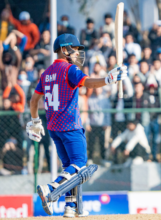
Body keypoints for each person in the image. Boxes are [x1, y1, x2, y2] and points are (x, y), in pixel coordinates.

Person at [27, 33, 127, 217]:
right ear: (64, 50)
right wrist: (108, 79)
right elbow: (88, 83)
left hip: (53, 128)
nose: (78, 54)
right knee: (79, 165)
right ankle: (51, 188)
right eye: (75, 50)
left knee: (70, 170)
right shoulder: (69, 69)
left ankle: (71, 208)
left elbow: (34, 101)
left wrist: (34, 121)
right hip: (70, 126)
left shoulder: (46, 73)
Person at [86, 87, 111, 163]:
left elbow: (108, 113)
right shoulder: (90, 99)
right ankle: (90, 159)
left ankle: (103, 158)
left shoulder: (105, 99)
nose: (97, 90)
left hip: (102, 125)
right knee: (91, 142)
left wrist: (107, 123)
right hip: (92, 125)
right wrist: (87, 123)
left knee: (102, 142)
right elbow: (87, 113)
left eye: (98, 88)